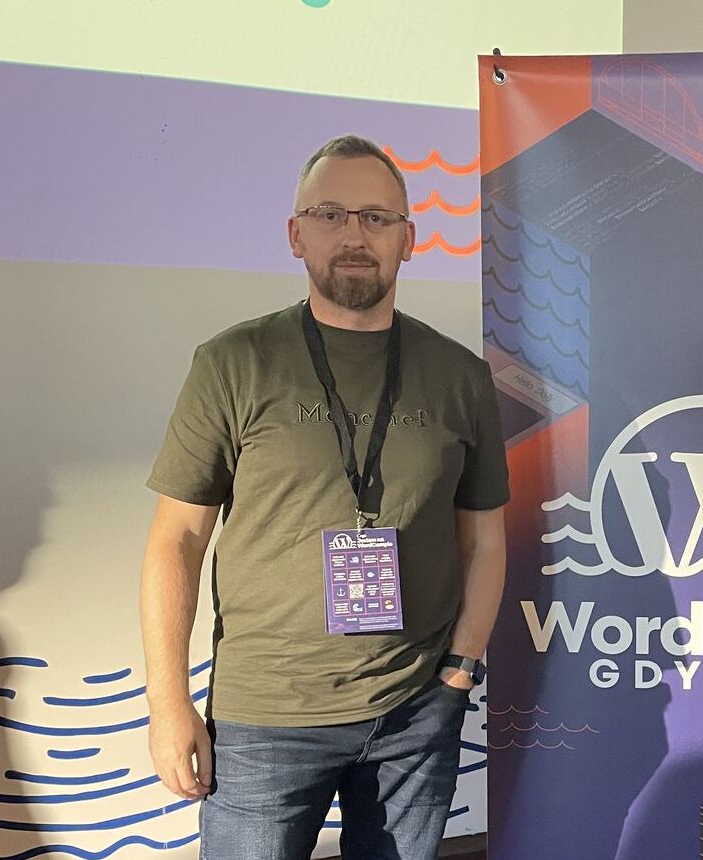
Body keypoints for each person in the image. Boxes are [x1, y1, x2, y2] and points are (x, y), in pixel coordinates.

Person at [140, 135, 509, 860]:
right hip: (265, 722)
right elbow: (175, 540)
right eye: (330, 214)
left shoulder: (459, 376)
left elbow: (485, 541)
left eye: (377, 218)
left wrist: (458, 673)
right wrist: (168, 703)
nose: (354, 235)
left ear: (409, 239)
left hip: (414, 716)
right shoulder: (235, 363)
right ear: (296, 234)